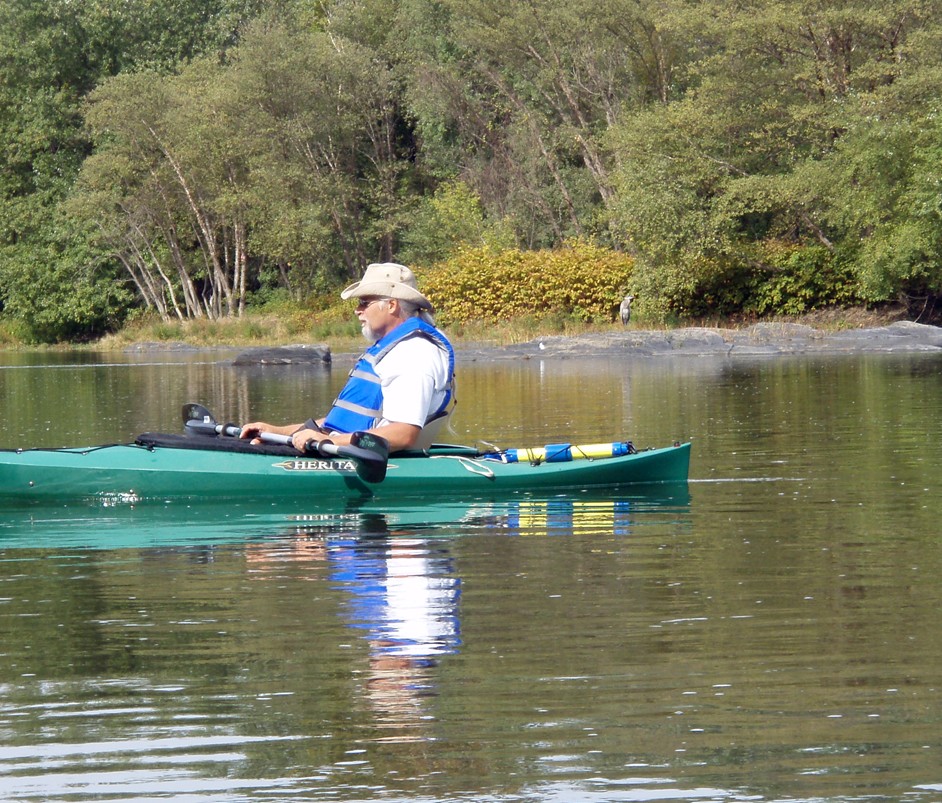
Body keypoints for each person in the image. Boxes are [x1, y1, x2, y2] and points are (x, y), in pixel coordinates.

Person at [240, 262, 455, 453]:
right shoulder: (393, 350)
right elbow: (341, 423)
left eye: (364, 302)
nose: (357, 311)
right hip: (351, 450)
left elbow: (403, 434)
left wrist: (327, 441)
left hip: (373, 459)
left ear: (391, 305)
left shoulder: (412, 354)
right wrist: (276, 432)